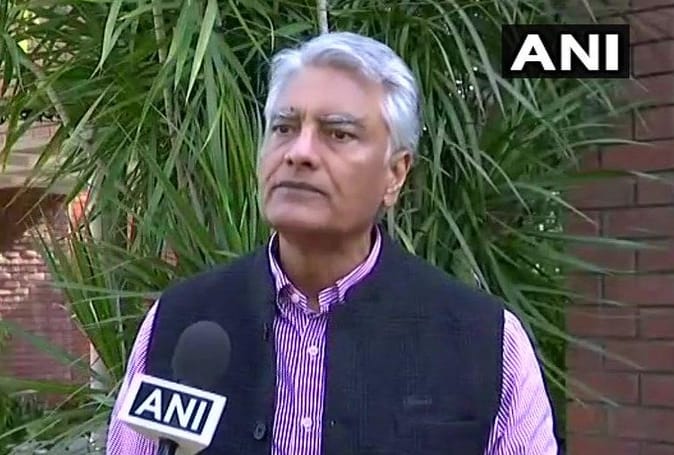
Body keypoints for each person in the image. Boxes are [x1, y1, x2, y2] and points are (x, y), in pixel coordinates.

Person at [106, 31, 559, 455]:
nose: (299, 152)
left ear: (395, 174)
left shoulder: (484, 341)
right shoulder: (181, 321)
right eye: (283, 128)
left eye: (338, 133)